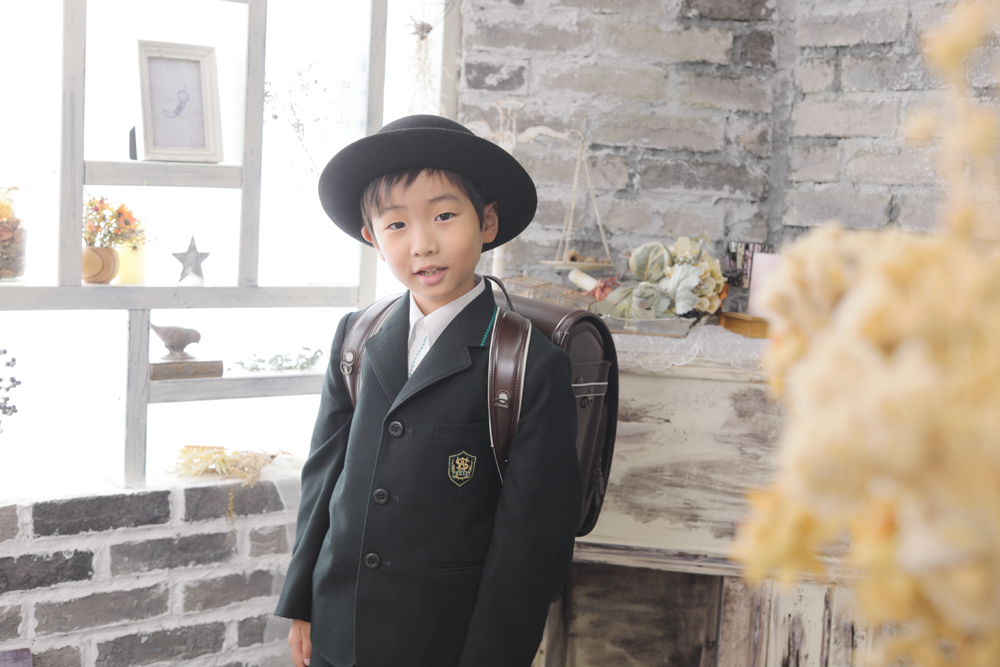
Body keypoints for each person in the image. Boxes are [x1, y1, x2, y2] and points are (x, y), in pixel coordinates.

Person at [274, 114, 582, 667]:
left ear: (487, 222)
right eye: (396, 225)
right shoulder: (357, 336)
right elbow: (323, 480)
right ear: (372, 238)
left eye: (444, 215)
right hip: (338, 631)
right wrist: (303, 603)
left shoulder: (527, 365)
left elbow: (532, 546)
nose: (423, 244)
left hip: (441, 642)